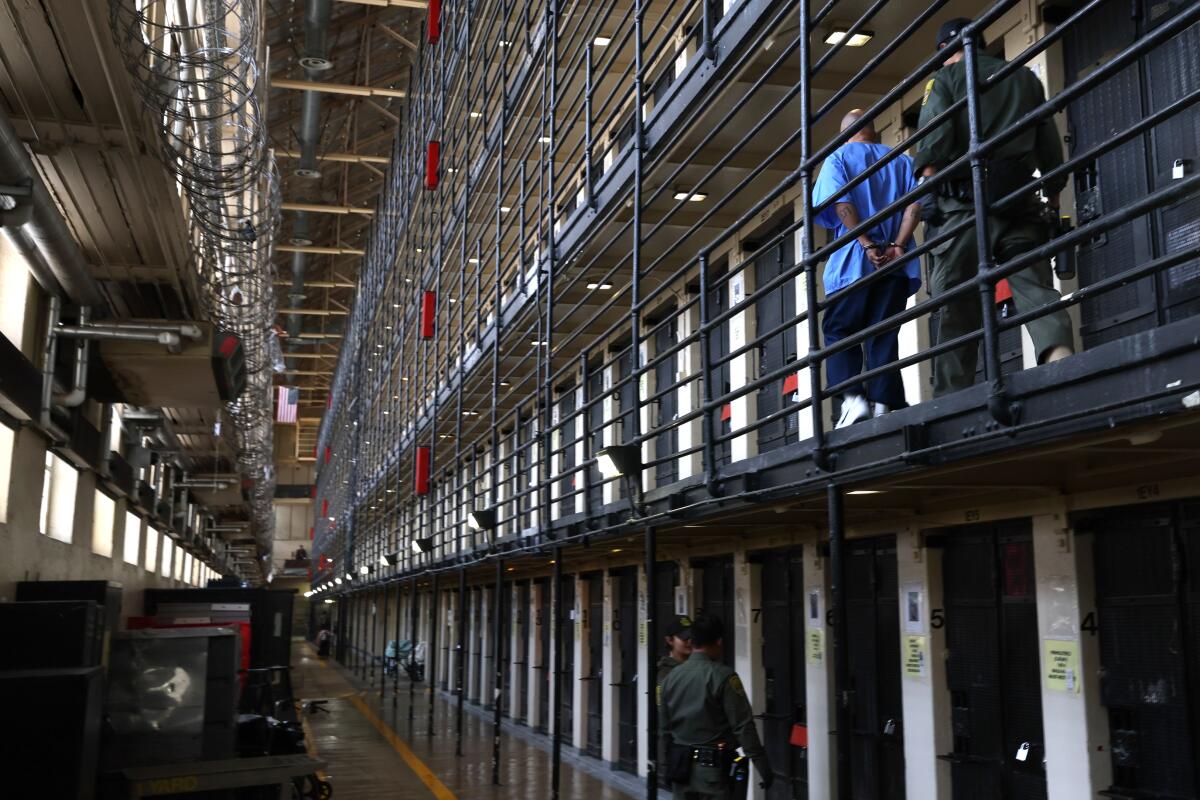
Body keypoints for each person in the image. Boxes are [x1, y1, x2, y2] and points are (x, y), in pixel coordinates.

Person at [914, 17, 1074, 396]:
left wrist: (927, 195)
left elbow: (934, 141)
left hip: (964, 210)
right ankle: (1061, 357)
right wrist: (1051, 201)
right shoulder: (1025, 79)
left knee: (957, 303)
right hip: (1019, 202)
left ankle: (953, 398)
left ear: (942, 52)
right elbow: (1050, 148)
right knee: (1033, 286)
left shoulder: (944, 81)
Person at [813, 110, 923, 428]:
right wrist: (898, 244)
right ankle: (885, 403)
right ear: (874, 133)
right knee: (883, 333)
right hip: (896, 264)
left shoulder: (838, 158)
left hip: (854, 262)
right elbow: (914, 205)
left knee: (839, 330)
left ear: (846, 135)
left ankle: (853, 400)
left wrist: (866, 244)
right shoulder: (900, 160)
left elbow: (842, 204)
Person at [660, 613, 772, 798]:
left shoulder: (670, 677)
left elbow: (664, 730)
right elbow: (743, 726)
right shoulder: (723, 676)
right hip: (712, 773)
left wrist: (666, 767)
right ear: (719, 641)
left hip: (680, 769)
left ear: (692, 641)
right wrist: (763, 767)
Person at [657, 615, 694, 784]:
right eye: (684, 638)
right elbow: (664, 719)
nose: (689, 641)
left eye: (692, 637)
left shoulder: (698, 668)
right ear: (670, 640)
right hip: (680, 750)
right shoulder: (665, 675)